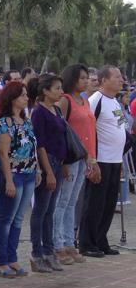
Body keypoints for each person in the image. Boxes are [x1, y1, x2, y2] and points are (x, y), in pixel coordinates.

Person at [80, 66, 129, 257]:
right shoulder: (95, 100)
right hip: (100, 160)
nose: (121, 79)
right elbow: (87, 130)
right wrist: (91, 160)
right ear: (104, 80)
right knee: (94, 203)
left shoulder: (115, 101)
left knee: (108, 204)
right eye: (116, 76)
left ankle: (101, 240)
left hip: (115, 160)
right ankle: (86, 243)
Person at [0, 81, 39, 277]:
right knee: (7, 217)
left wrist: (38, 171)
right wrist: (9, 180)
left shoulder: (26, 121)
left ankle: (12, 257)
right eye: (22, 95)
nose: (26, 98)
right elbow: (3, 154)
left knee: (18, 218)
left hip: (28, 172)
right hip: (12, 174)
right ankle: (1, 259)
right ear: (12, 98)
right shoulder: (5, 123)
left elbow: (33, 147)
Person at [54, 64, 99, 265]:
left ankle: (69, 242)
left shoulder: (85, 101)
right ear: (73, 79)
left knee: (72, 202)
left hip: (84, 158)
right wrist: (63, 160)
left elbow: (89, 130)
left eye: (87, 78)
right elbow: (60, 130)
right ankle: (58, 244)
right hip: (70, 158)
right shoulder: (66, 100)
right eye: (82, 78)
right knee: (62, 202)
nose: (86, 81)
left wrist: (92, 157)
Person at [29, 74, 67, 272]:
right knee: (41, 210)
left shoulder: (57, 110)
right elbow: (40, 145)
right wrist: (48, 171)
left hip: (58, 162)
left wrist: (64, 164)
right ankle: (37, 253)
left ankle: (49, 250)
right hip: (47, 162)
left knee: (50, 211)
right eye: (57, 88)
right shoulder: (39, 113)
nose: (61, 92)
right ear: (45, 91)